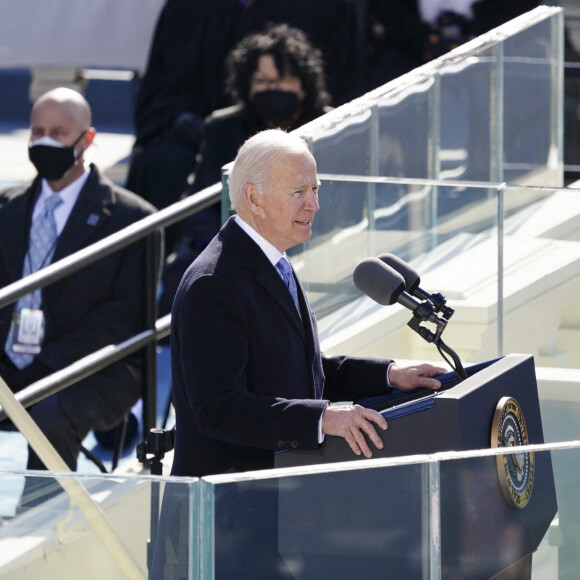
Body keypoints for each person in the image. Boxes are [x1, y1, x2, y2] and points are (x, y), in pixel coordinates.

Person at [170, 129, 446, 479]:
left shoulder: (272, 262)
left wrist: (389, 375)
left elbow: (297, 373)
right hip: (229, 512)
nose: (313, 204)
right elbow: (220, 409)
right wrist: (323, 418)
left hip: (279, 502)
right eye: (298, 192)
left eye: (314, 189)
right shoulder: (214, 284)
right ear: (254, 198)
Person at [0, 88, 161, 507]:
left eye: (58, 132)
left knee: (50, 413)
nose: (45, 141)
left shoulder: (132, 218)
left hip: (92, 368)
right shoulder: (6, 207)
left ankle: (36, 532)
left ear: (87, 140)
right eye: (37, 131)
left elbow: (127, 316)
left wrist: (47, 366)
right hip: (10, 361)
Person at [158, 23, 333, 315]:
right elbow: (199, 200)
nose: (273, 90)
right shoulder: (223, 127)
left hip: (307, 244)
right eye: (262, 81)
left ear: (303, 83)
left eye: (283, 80)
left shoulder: (328, 125)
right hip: (237, 244)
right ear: (247, 84)